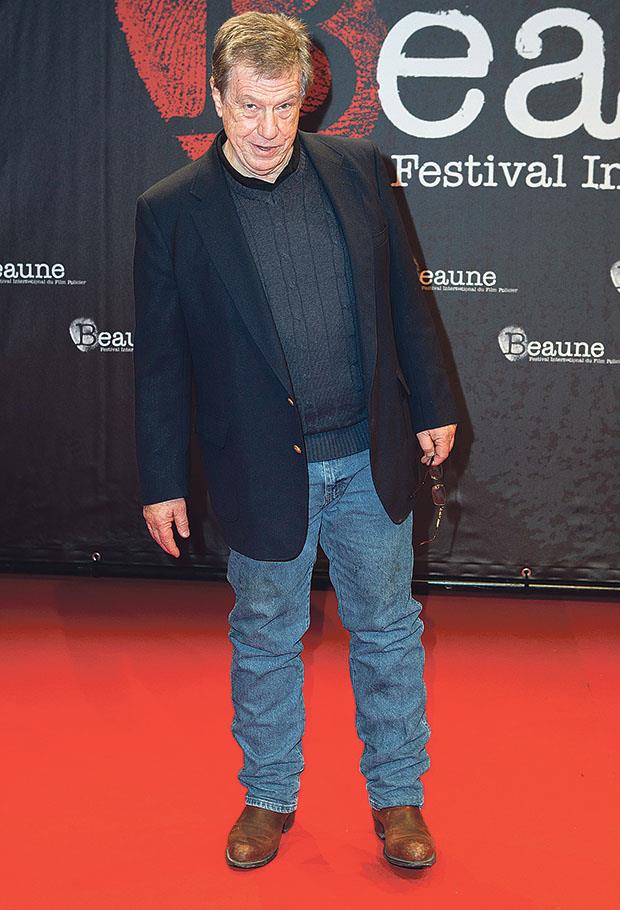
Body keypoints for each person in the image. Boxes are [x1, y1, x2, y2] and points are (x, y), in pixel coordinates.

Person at [133, 11, 458, 871]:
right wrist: (161, 479)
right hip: (260, 467)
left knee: (387, 630)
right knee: (266, 633)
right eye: (250, 107)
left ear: (306, 100)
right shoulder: (171, 211)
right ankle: (268, 796)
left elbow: (405, 300)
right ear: (217, 97)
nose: (268, 129)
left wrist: (432, 403)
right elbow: (160, 359)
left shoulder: (358, 169)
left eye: (284, 107)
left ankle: (398, 798)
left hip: (368, 456)